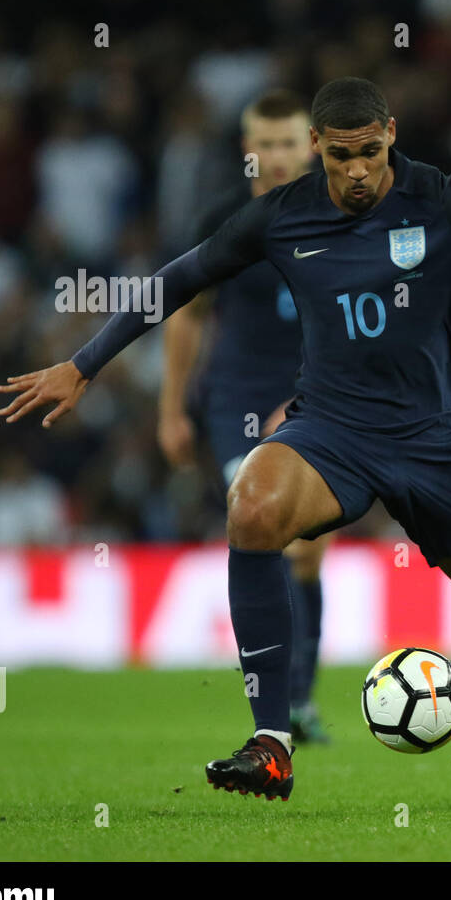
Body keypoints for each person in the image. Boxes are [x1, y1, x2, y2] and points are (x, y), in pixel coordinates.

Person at [0, 76, 451, 809]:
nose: (356, 171)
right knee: (251, 506)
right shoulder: (280, 216)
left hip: (434, 443)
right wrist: (82, 365)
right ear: (318, 147)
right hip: (332, 431)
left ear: (390, 135)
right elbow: (178, 280)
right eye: (341, 156)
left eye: (370, 153)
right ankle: (272, 744)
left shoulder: (440, 197)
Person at [158, 88, 332, 744]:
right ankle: (278, 704)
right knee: (274, 528)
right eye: (266, 144)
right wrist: (173, 407)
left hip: (316, 394)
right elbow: (187, 314)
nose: (278, 156)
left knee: (309, 548)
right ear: (247, 149)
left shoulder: (339, 215)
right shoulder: (224, 218)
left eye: (290, 143)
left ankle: (299, 699)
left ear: (312, 148)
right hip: (238, 395)